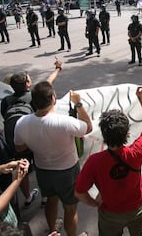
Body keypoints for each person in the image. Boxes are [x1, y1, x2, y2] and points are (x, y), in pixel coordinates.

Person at [75, 86, 142, 236]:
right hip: (137, 209)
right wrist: (141, 98)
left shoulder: (94, 162)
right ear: (127, 133)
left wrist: (95, 203)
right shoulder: (136, 152)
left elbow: (79, 192)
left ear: (104, 134)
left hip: (110, 213)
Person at [14, 81, 93, 236]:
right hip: (67, 171)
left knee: (51, 200)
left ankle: (53, 232)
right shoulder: (64, 122)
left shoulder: (22, 123)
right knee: (70, 207)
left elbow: (19, 147)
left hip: (43, 169)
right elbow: (88, 127)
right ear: (52, 99)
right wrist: (78, 104)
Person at [0, 58, 63, 208]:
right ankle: (45, 197)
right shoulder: (33, 96)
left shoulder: (6, 100)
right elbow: (49, 82)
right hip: (35, 138)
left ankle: (27, 197)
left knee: (22, 168)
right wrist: (58, 68)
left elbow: (4, 117)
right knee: (41, 168)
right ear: (27, 84)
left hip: (18, 140)